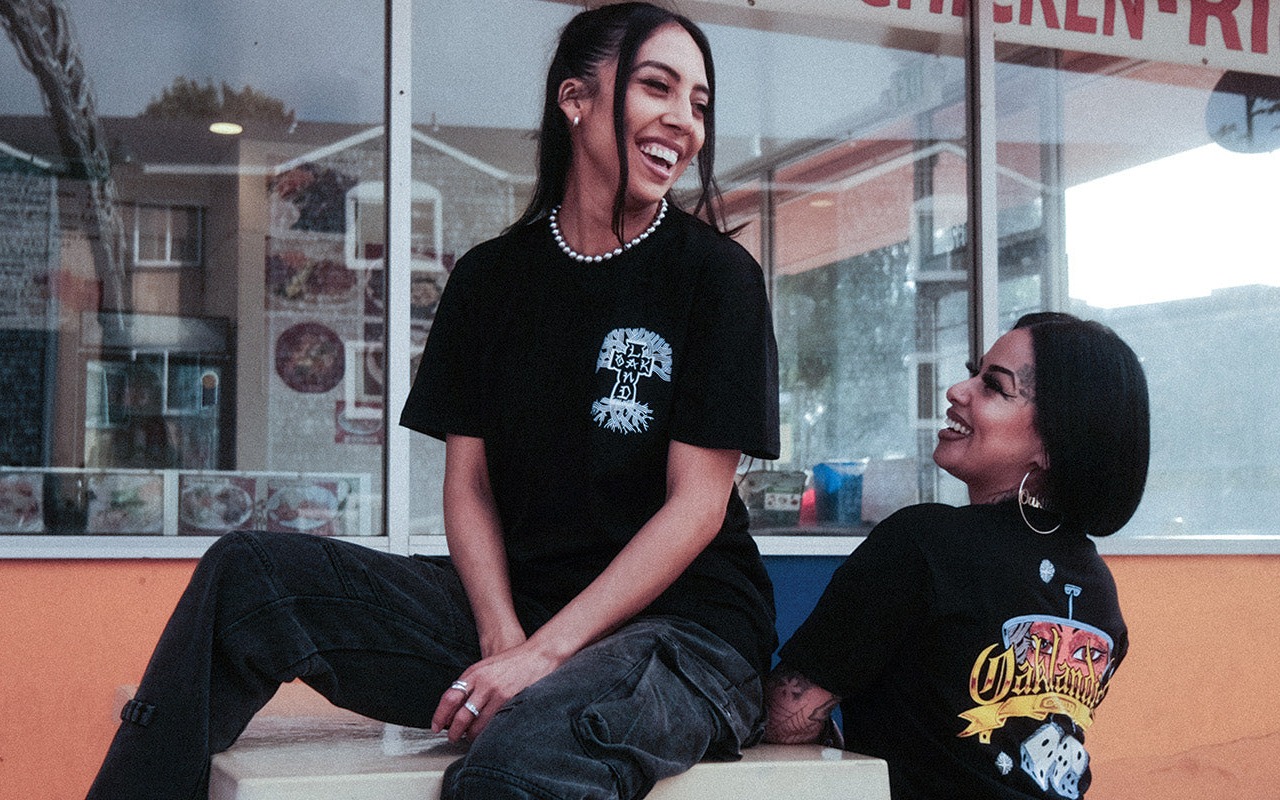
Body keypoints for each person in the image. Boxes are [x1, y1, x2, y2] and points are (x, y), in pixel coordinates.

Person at [83, 4, 779, 799]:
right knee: (249, 579)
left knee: (518, 766)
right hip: (516, 613)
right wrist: (502, 636)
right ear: (575, 98)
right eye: (658, 87)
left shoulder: (716, 278)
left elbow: (696, 509)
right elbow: (470, 485)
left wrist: (541, 659)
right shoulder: (492, 279)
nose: (683, 122)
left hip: (683, 637)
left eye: (699, 103)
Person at [764, 312, 1148, 800]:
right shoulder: (1097, 586)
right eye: (974, 371)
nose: (957, 391)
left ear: (1053, 445)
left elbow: (786, 719)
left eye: (993, 386)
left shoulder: (923, 544)